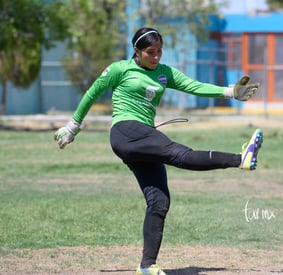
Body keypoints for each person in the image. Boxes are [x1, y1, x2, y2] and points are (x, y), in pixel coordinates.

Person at [54, 26, 263, 275]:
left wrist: (229, 92)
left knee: (159, 201)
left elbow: (194, 86)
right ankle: (240, 159)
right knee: (179, 153)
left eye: (160, 51)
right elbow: (92, 94)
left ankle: (147, 265)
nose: (156, 57)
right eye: (150, 52)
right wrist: (72, 127)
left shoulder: (164, 73)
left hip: (144, 138)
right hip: (125, 131)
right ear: (137, 51)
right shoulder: (120, 69)